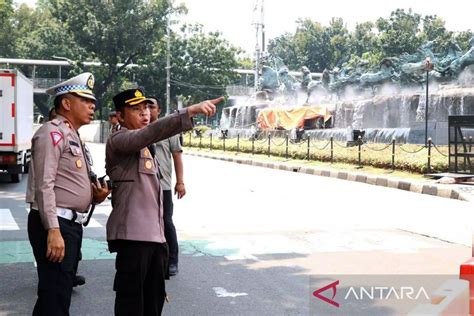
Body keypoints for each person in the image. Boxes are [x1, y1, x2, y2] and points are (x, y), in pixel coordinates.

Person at [106, 88, 221, 315]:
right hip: (133, 238)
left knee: (154, 301)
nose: (144, 113)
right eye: (136, 110)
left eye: (146, 108)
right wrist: (189, 111)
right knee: (131, 303)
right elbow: (148, 134)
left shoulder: (146, 147)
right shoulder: (120, 139)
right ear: (119, 116)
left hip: (155, 239)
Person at [26, 73, 110, 315]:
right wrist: (53, 229)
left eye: (92, 101)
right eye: (85, 100)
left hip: (69, 224)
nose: (92, 105)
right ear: (66, 103)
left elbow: (68, 182)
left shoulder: (72, 134)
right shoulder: (52, 132)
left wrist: (94, 196)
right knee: (55, 295)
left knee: (57, 293)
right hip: (55, 224)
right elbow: (44, 184)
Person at [148, 98, 183, 276]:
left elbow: (177, 156)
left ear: (159, 110)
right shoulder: (140, 129)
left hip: (164, 185)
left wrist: (180, 181)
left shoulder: (168, 130)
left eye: (151, 106)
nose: (148, 110)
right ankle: (153, 259)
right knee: (147, 222)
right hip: (144, 186)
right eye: (145, 107)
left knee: (166, 221)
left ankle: (172, 260)